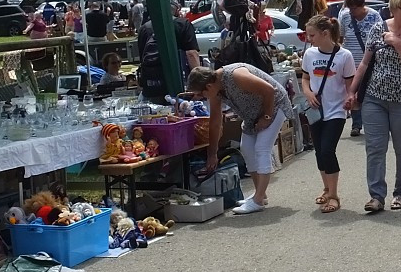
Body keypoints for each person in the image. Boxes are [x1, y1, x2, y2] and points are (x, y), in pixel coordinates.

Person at [347, 0, 401, 213]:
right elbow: (364, 63)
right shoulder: (378, 28)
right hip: (375, 99)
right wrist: (352, 91)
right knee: (375, 148)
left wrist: (397, 43)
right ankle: (376, 196)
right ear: (393, 9)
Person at [188, 63, 293, 215]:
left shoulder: (236, 76)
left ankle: (257, 201)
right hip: (252, 115)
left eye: (199, 94)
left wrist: (267, 117)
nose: (199, 98)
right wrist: (212, 153)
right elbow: (215, 123)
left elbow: (270, 90)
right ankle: (260, 195)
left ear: (209, 87)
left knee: (262, 148)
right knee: (246, 148)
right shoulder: (216, 91)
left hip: (275, 107)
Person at [301, 15, 356, 214]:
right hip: (316, 110)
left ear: (325, 34)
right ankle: (326, 188)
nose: (309, 39)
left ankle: (334, 195)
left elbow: (350, 84)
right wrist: (307, 93)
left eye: (312, 35)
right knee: (318, 151)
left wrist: (351, 97)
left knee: (327, 150)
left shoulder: (345, 56)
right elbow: (305, 79)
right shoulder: (310, 54)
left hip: (336, 111)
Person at [338, 0, 383, 137]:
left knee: (369, 93)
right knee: (353, 93)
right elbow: (340, 37)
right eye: (350, 9)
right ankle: (356, 124)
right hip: (351, 62)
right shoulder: (345, 16)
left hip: (370, 61)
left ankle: (372, 122)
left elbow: (381, 36)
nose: (352, 12)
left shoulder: (374, 16)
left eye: (354, 9)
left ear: (362, 6)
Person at [138, 13, 201, 103]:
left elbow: (142, 59)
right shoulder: (183, 24)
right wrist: (199, 84)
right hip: (178, 89)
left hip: (151, 88)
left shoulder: (144, 28)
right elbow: (191, 54)